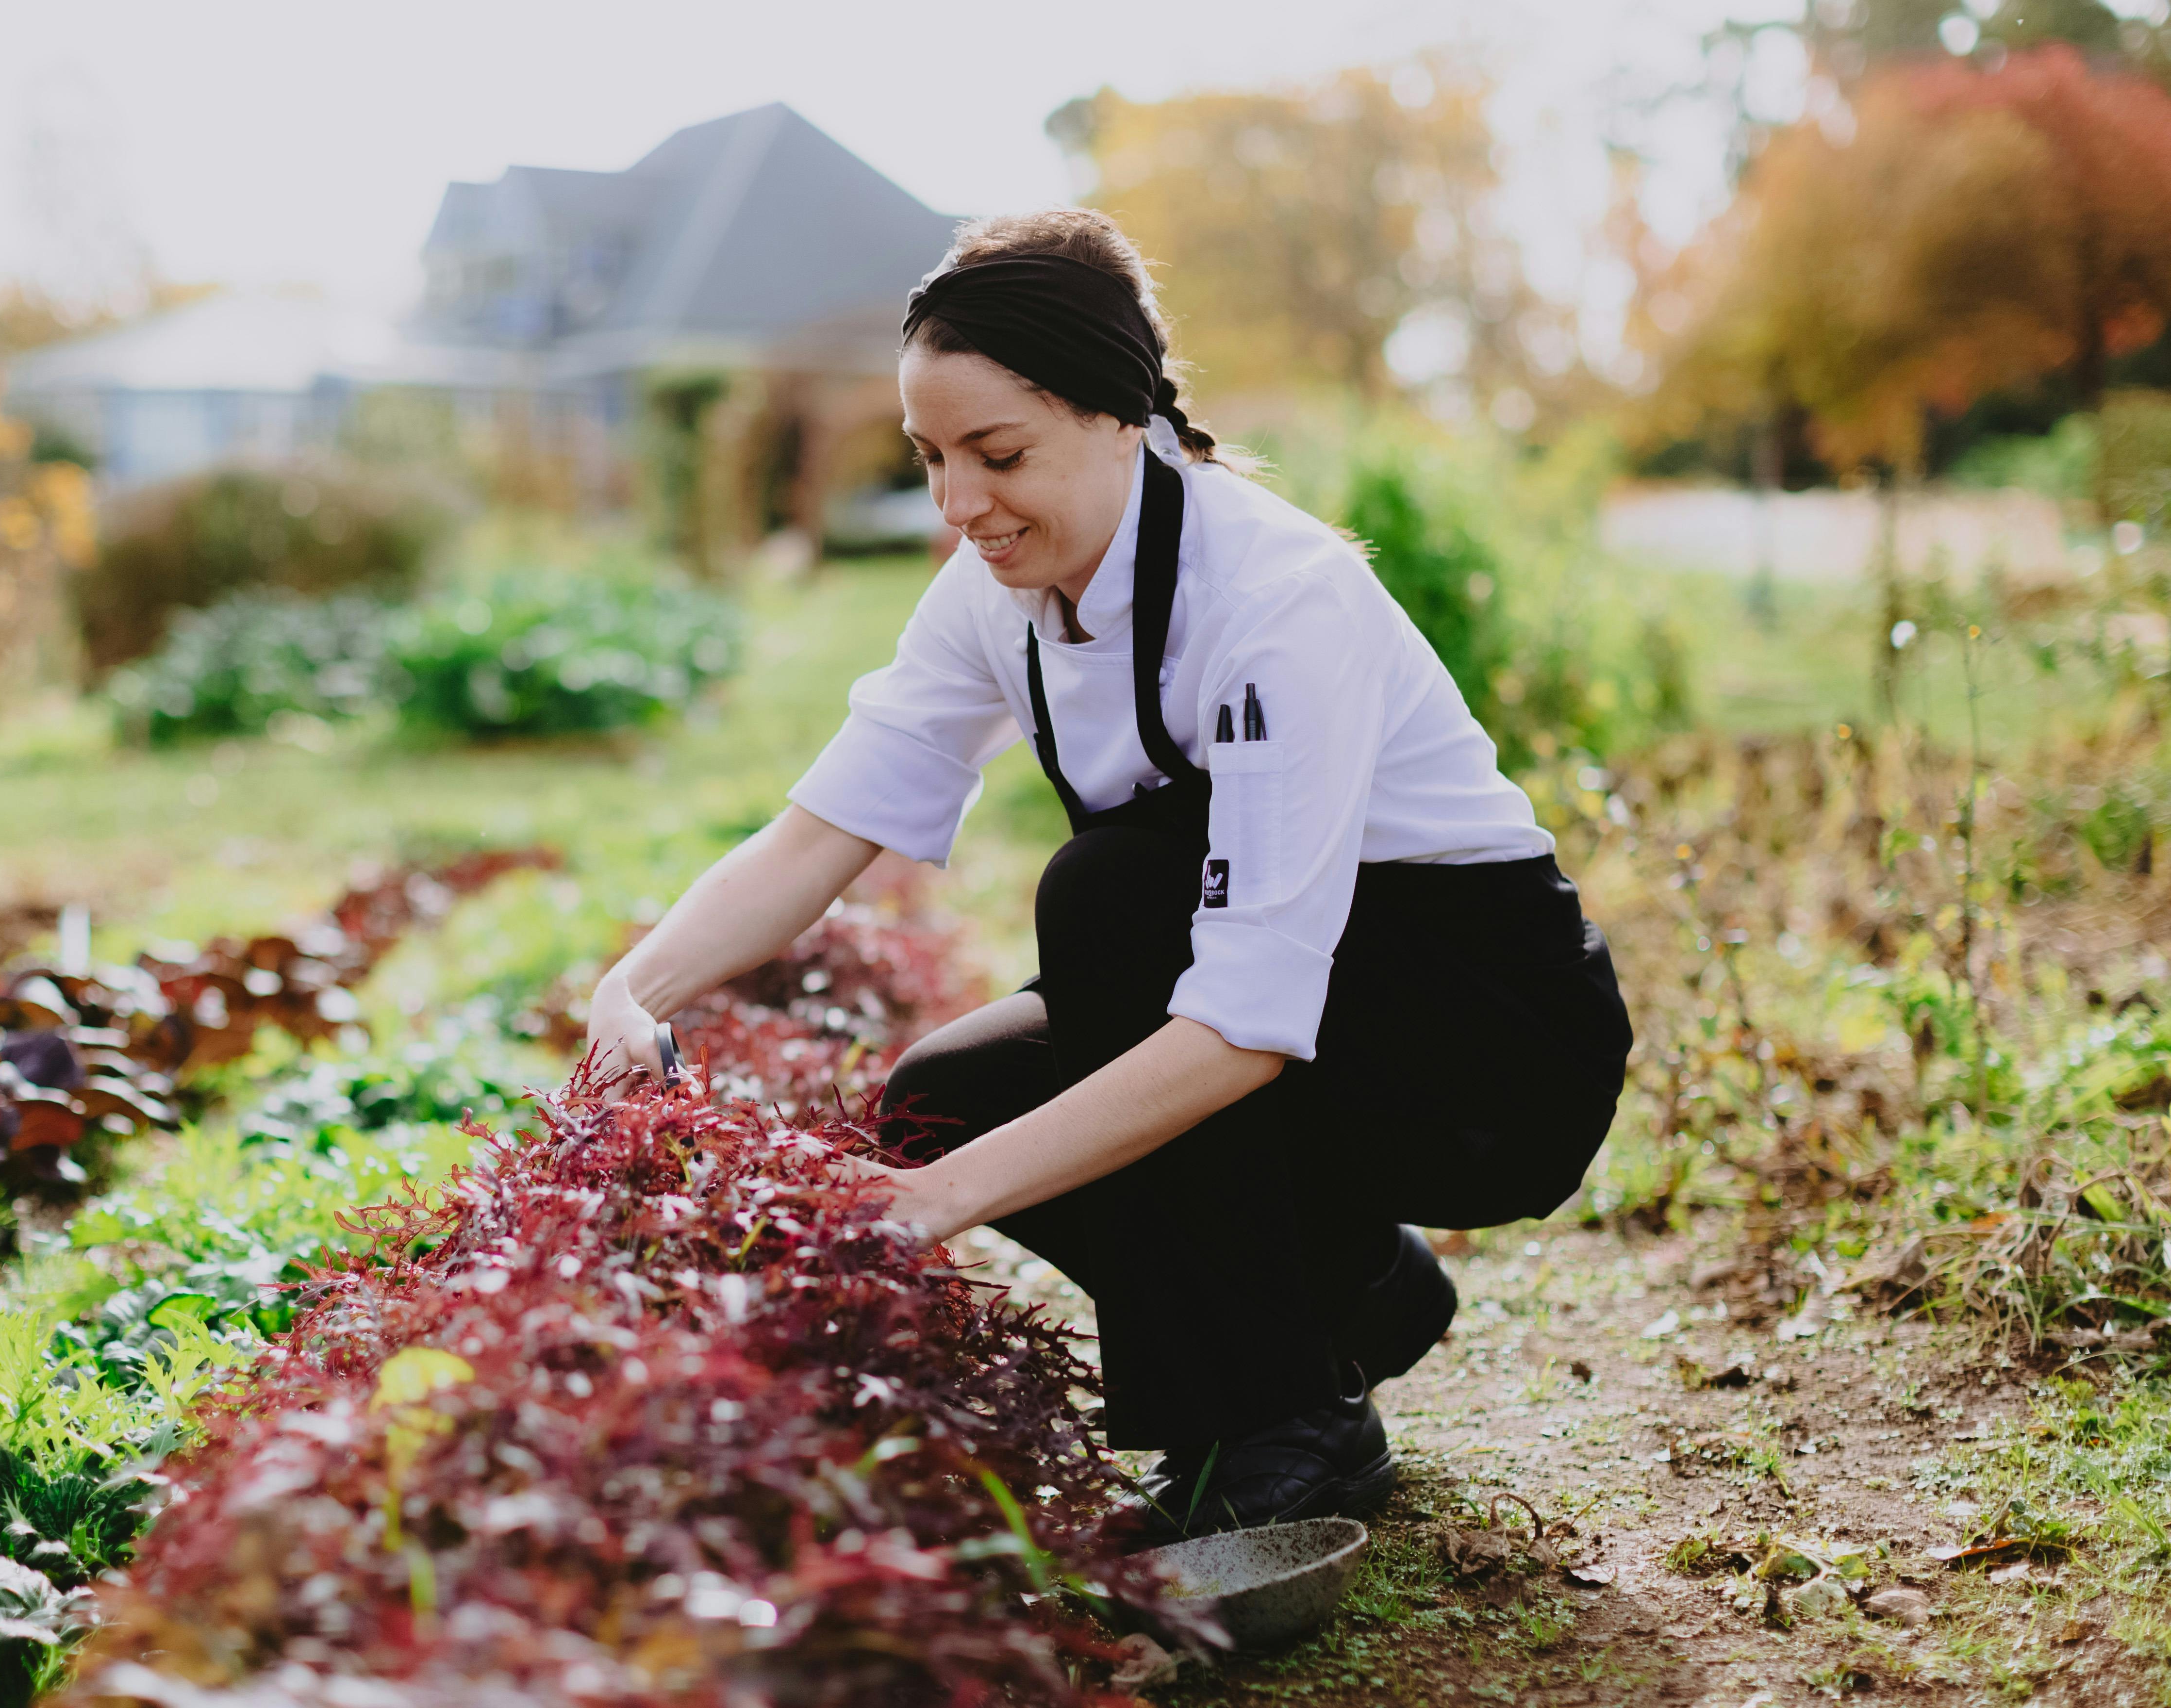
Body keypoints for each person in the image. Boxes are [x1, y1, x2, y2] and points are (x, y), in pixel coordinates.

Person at [585, 209, 1633, 1546]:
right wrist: (638, 987)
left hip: (1484, 1041)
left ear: (1122, 414)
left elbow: (1245, 1025)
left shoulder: (1277, 599)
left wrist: (936, 1212)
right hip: (1305, 1009)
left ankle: (1278, 1423)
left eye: (998, 455)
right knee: (939, 1104)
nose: (960, 505)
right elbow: (820, 828)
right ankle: (1357, 1293)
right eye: (932, 458)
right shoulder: (996, 592)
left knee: (1111, 899)